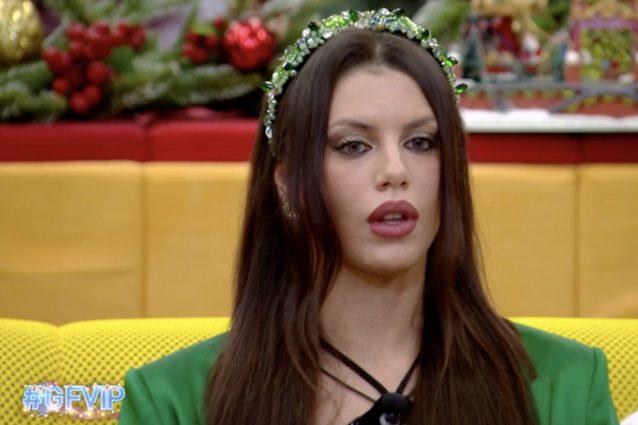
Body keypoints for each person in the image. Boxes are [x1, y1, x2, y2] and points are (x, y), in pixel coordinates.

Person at [118, 8, 619, 425]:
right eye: (354, 145)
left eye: (420, 142)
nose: (395, 171)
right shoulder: (170, 402)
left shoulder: (566, 384)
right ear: (287, 184)